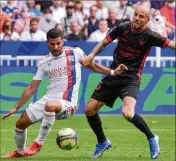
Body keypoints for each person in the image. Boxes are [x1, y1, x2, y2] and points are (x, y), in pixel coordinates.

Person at [2, 28, 128, 158]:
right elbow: (31, 88)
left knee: (50, 105)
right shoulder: (44, 62)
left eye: (58, 43)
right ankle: (20, 152)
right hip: (49, 100)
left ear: (63, 41)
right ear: (47, 43)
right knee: (20, 124)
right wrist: (15, 107)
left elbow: (93, 66)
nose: (56, 47)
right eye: (52, 44)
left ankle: (38, 144)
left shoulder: (75, 52)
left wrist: (113, 72)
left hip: (68, 104)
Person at [80, 4, 176, 159]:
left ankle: (152, 137)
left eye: (141, 16)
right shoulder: (123, 27)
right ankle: (102, 141)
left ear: (147, 20)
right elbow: (104, 42)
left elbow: (172, 45)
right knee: (89, 110)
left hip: (131, 78)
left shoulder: (151, 36)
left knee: (127, 113)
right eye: (136, 14)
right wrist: (91, 55)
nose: (137, 18)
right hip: (113, 75)